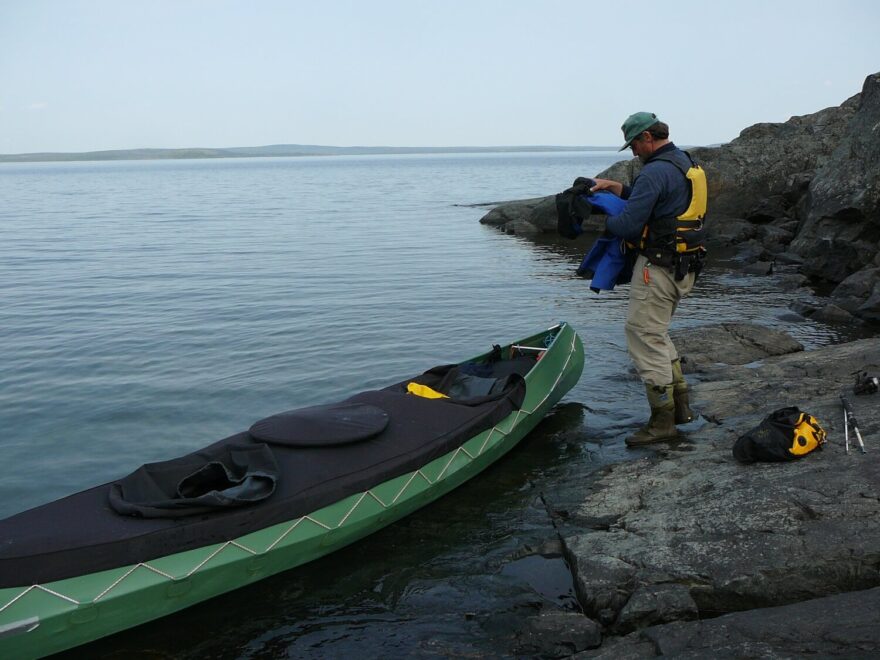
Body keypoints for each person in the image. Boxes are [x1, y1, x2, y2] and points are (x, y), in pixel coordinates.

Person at [591, 112, 707, 446]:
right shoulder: (685, 163)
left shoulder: (654, 171)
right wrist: (620, 190)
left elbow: (627, 226)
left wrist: (603, 214)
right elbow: (666, 204)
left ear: (646, 137)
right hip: (685, 265)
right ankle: (681, 409)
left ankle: (661, 424)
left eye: (634, 145)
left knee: (642, 335)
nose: (633, 152)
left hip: (657, 267)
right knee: (657, 333)